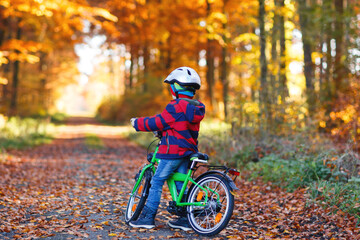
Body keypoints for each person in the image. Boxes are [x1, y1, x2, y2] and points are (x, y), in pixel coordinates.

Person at [129, 67, 205, 231]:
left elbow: (158, 121)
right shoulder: (196, 107)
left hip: (172, 152)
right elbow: (178, 125)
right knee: (180, 183)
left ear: (176, 88)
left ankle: (147, 217)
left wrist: (137, 123)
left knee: (156, 181)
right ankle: (185, 219)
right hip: (187, 151)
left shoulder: (176, 106)